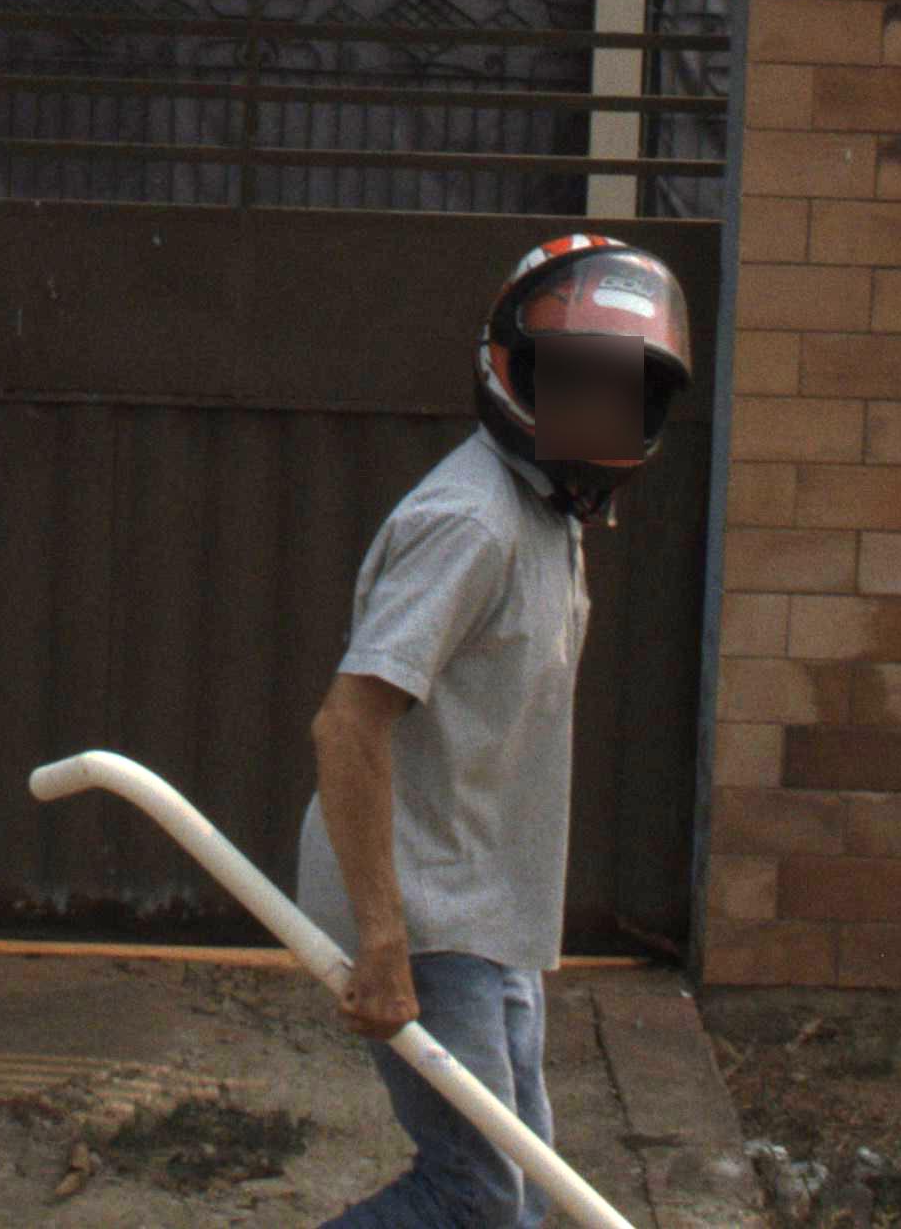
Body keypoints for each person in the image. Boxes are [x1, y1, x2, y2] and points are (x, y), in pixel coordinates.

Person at [296, 234, 695, 1229]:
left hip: (488, 903)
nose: (600, 411)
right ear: (517, 373)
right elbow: (347, 724)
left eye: (623, 390)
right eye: (577, 382)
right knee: (474, 1197)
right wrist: (383, 939)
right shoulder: (472, 524)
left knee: (519, 1196)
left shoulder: (549, 515)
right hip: (426, 907)